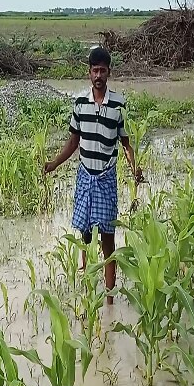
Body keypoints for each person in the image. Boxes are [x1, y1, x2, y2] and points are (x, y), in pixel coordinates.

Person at [44, 46, 143, 305]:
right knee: (86, 235)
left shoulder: (119, 105)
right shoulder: (80, 104)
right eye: (94, 70)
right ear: (89, 73)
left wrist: (135, 168)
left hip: (106, 177)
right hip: (85, 176)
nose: (98, 75)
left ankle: (109, 299)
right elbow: (73, 141)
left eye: (103, 70)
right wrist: (55, 163)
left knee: (108, 238)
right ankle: (89, 293)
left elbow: (126, 143)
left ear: (109, 72)